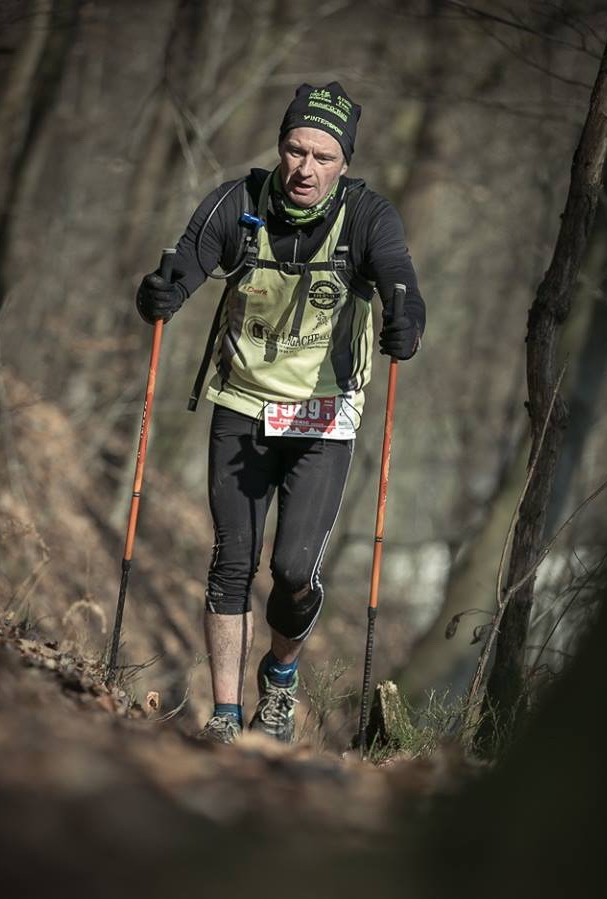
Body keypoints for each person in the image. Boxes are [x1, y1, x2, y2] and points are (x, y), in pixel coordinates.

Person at [136, 81, 426, 745]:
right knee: (232, 560)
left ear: (344, 163)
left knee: (295, 570)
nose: (306, 168)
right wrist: (158, 295)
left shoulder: (367, 216)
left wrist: (406, 319)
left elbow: (400, 279)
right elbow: (182, 267)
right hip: (241, 402)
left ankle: (283, 677)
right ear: (280, 148)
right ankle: (226, 715)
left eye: (323, 156)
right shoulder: (239, 202)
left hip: (323, 420)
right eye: (295, 150)